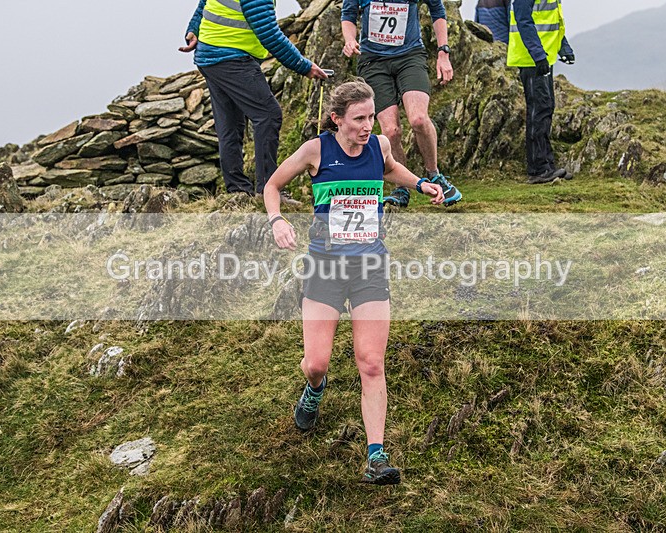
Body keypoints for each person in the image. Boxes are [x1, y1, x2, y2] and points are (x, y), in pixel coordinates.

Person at [264, 81, 444, 485]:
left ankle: (376, 457)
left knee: (372, 362)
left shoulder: (378, 146)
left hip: (369, 269)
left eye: (371, 116)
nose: (368, 126)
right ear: (337, 120)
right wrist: (277, 221)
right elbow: (272, 186)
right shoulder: (316, 151)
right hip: (325, 269)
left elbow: (392, 169)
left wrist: (420, 184)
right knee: (316, 363)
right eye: (359, 119)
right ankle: (314, 390)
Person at [180, 0, 327, 203]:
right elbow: (268, 34)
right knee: (268, 115)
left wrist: (193, 28)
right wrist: (304, 66)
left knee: (230, 124)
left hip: (210, 56)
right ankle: (268, 189)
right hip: (231, 57)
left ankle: (238, 191)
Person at [340, 0, 462, 208]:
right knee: (391, 130)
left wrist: (443, 53)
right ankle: (401, 187)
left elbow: (437, 10)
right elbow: (348, 15)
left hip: (410, 56)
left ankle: (434, 175)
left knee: (419, 119)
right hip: (373, 61)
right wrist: (350, 40)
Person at [508, 0, 575, 184]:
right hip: (531, 59)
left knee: (546, 107)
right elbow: (523, 20)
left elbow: (554, 20)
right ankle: (538, 169)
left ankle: (547, 165)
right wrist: (538, 54)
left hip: (543, 56)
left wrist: (563, 47)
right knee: (538, 110)